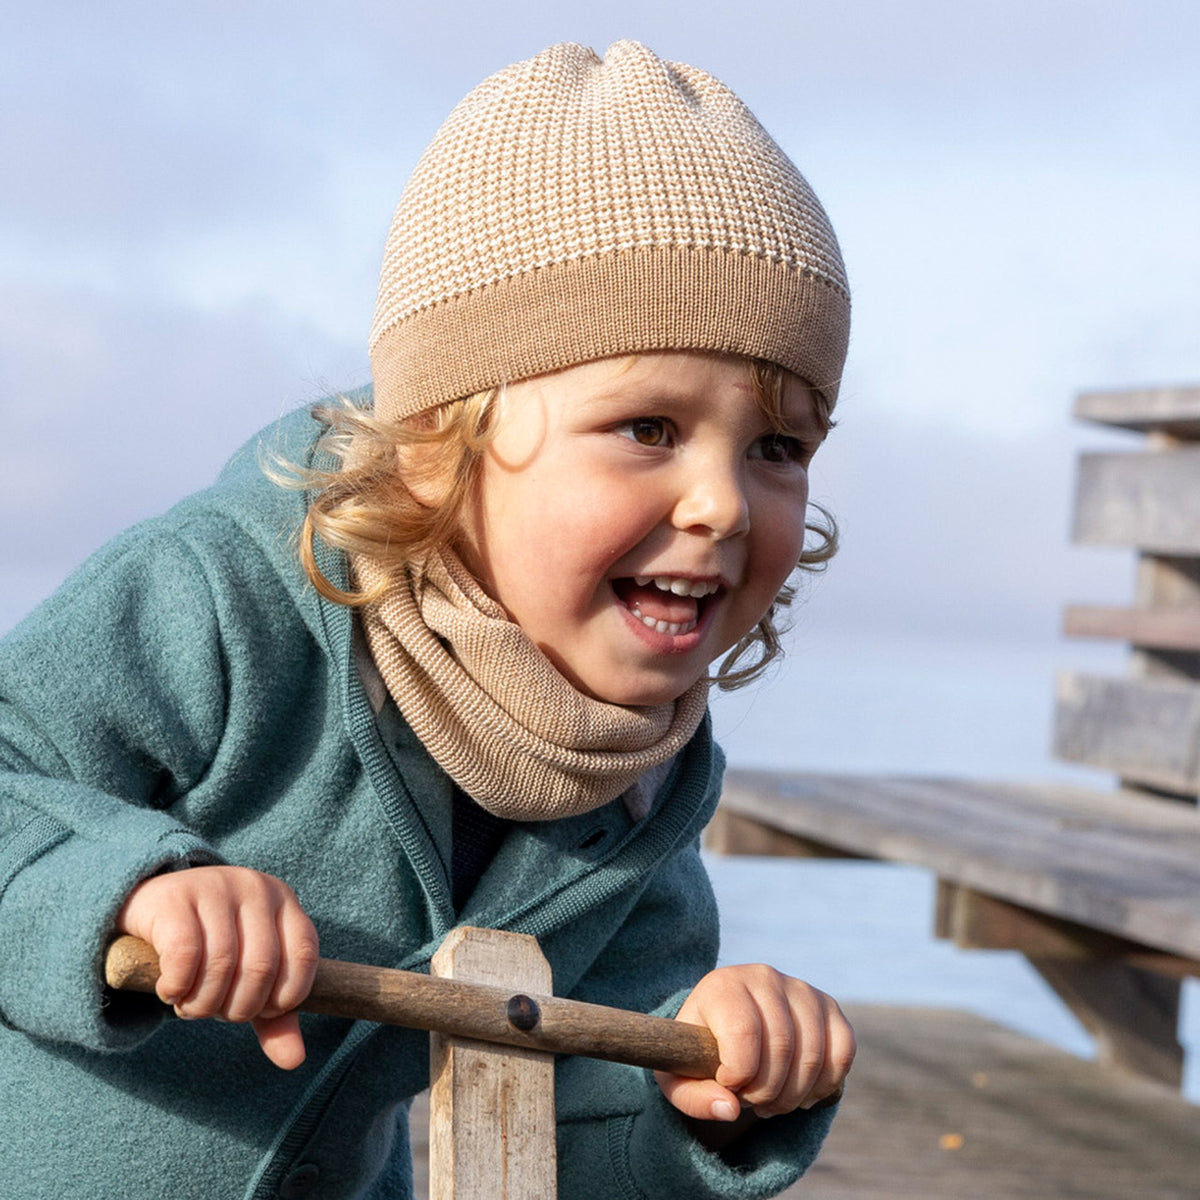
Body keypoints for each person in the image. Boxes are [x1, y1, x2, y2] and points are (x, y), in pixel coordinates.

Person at [0, 39, 854, 1200]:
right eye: (649, 428)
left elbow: (582, 1142)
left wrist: (702, 1091)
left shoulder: (636, 777)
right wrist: (130, 885)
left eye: (778, 448)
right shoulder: (221, 603)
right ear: (440, 448)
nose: (719, 503)